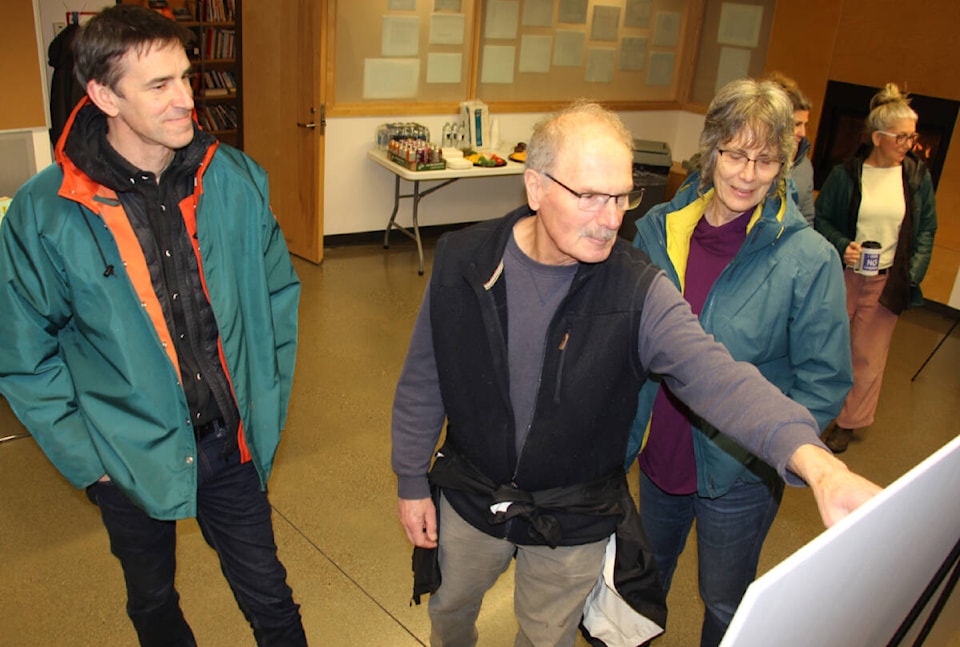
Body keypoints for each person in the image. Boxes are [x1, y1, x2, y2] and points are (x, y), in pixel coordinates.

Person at [391, 100, 880, 647]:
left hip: (574, 516)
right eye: (590, 196)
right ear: (535, 188)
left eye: (622, 196)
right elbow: (424, 377)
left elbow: (714, 374)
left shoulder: (635, 288)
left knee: (545, 636)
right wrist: (412, 482)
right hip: (471, 494)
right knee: (451, 610)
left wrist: (816, 464)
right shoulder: (465, 260)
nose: (611, 220)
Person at [0, 6, 306, 646]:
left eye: (186, 78)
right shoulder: (44, 210)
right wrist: (92, 463)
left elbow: (277, 293)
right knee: (153, 601)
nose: (186, 101)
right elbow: (26, 354)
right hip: (125, 452)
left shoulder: (236, 179)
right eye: (160, 85)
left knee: (272, 600)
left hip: (230, 442)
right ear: (103, 95)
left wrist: (263, 393)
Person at [626, 78, 852, 647]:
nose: (747, 175)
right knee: (641, 587)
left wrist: (765, 443)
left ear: (785, 162)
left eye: (766, 159)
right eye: (734, 154)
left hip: (740, 472)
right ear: (711, 149)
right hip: (659, 454)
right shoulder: (661, 230)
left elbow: (825, 381)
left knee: (726, 603)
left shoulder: (810, 259)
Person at [815, 83, 938, 454]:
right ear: (878, 138)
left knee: (867, 356)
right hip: (845, 275)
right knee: (826, 345)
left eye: (912, 137)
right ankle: (815, 410)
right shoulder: (846, 175)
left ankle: (847, 424)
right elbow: (822, 221)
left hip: (887, 279)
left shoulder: (916, 178)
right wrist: (842, 246)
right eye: (901, 137)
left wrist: (913, 272)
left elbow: (927, 229)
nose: (909, 144)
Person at [765, 72, 816, 225]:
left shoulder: (805, 166)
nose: (803, 133)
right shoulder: (752, 161)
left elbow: (806, 219)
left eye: (805, 125)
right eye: (797, 124)